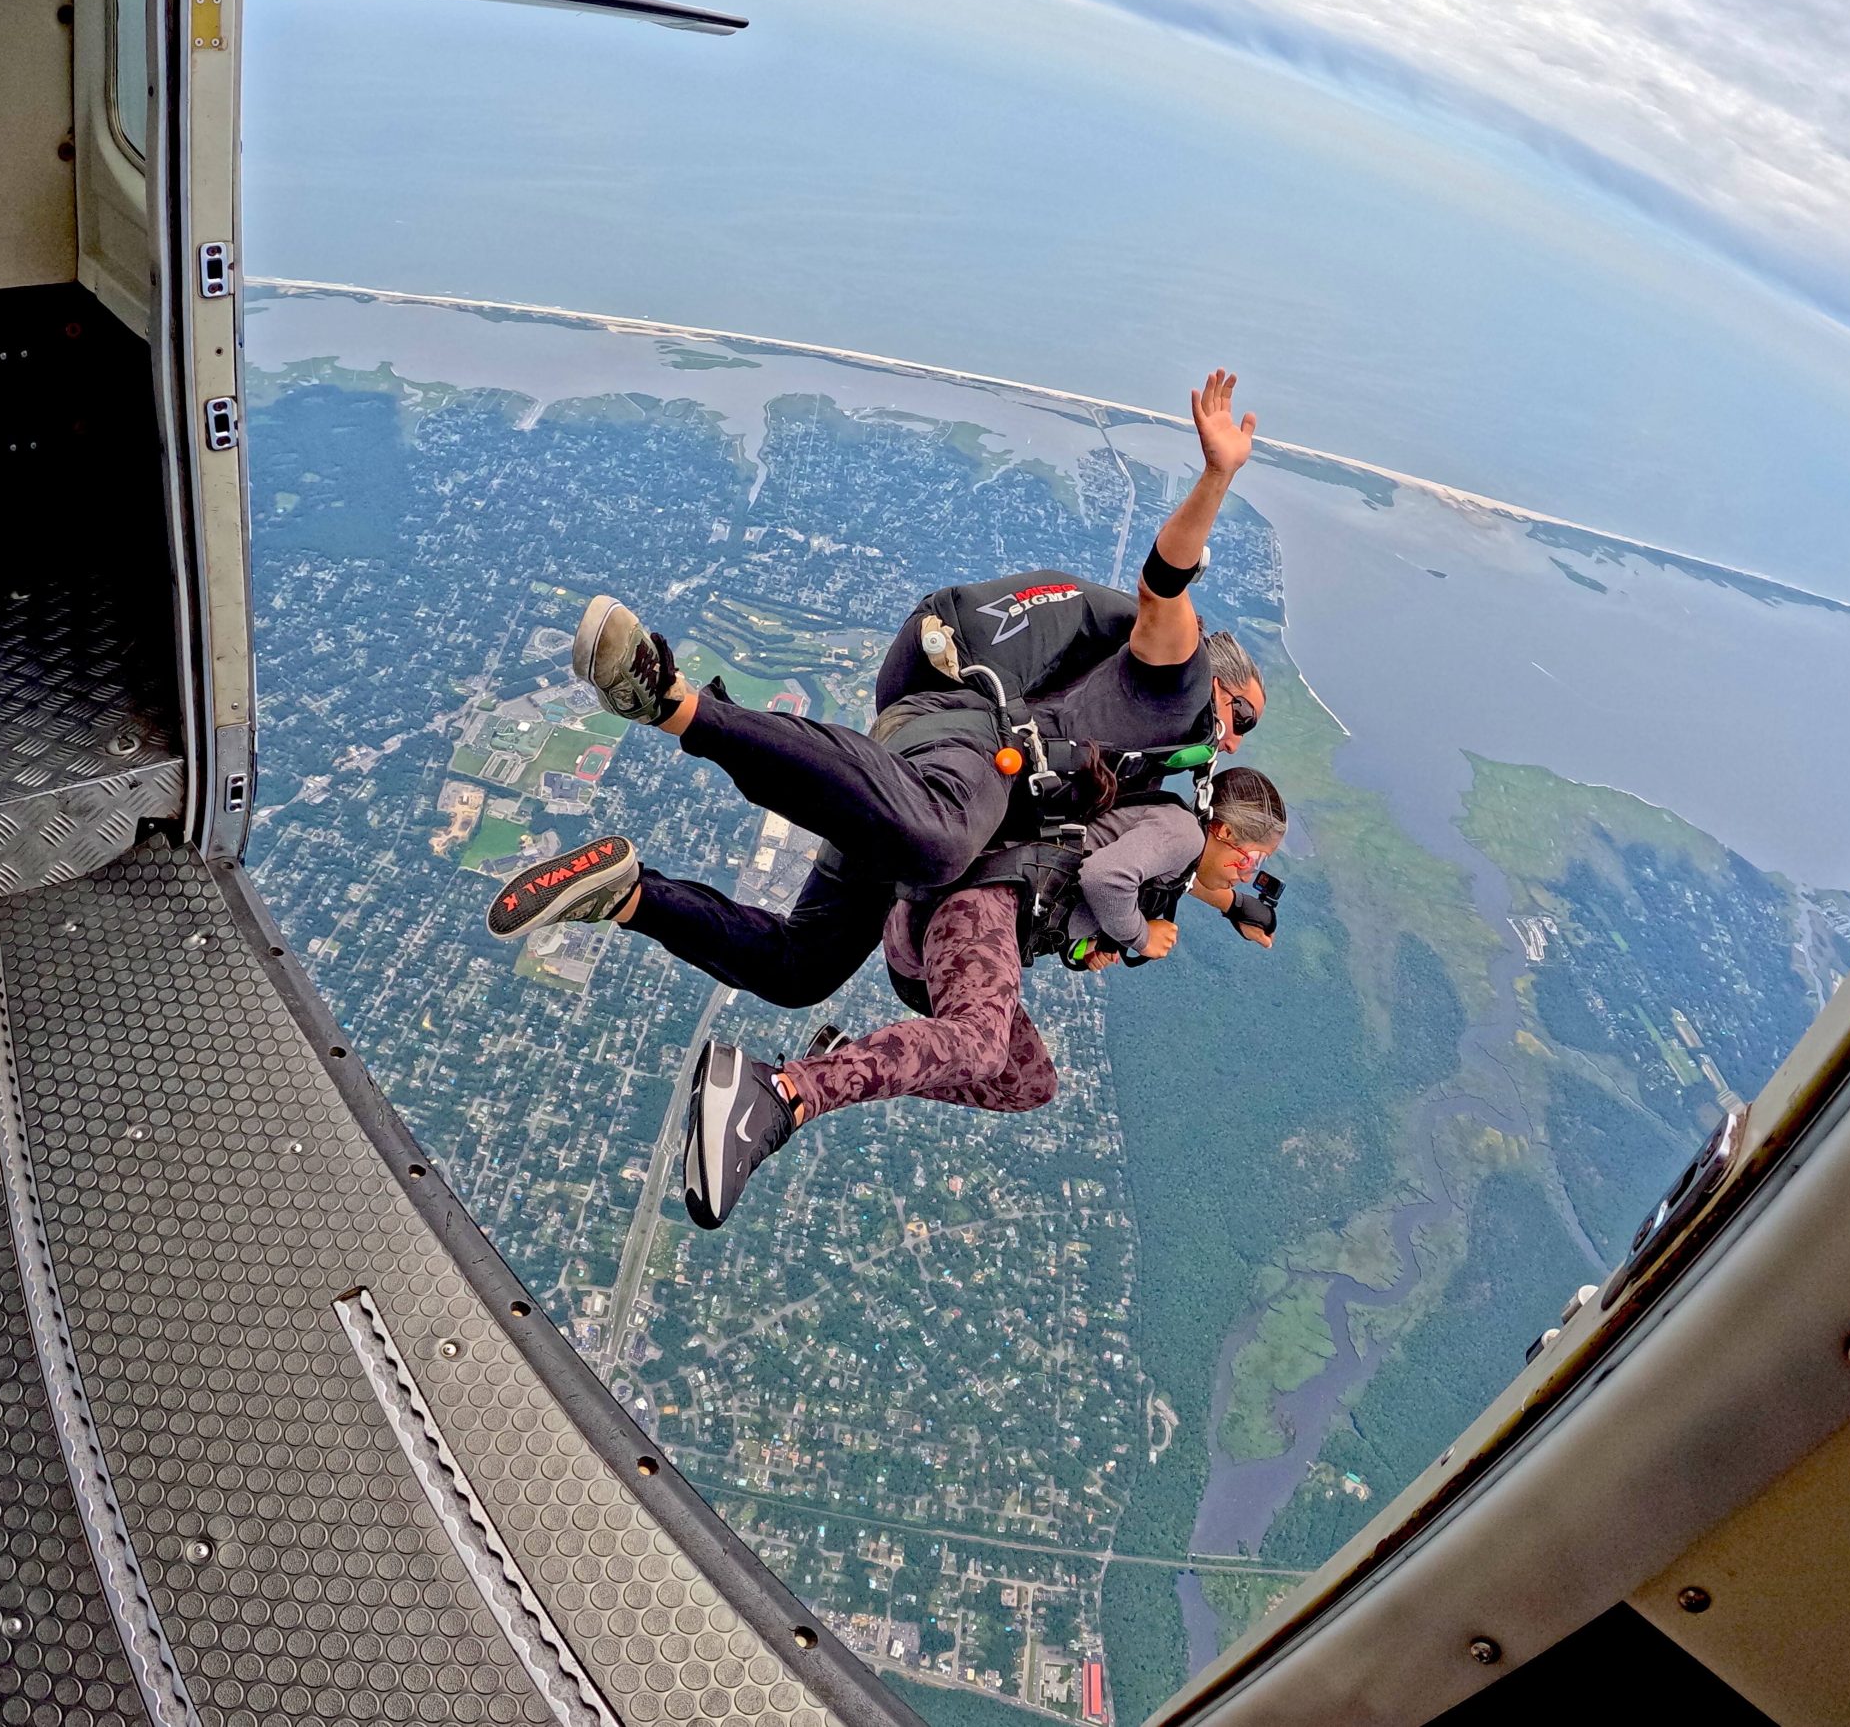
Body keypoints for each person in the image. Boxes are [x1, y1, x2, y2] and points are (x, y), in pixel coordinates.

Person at [485, 373, 1270, 979]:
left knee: (800, 969)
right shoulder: (1177, 693)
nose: (1234, 742)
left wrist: (1239, 905)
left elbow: (1182, 855)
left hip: (931, 781)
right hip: (968, 733)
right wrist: (1217, 478)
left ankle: (624, 895)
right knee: (939, 844)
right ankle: (672, 702)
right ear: (1218, 683)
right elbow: (1163, 587)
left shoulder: (1157, 779)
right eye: (1246, 718)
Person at [681, 767, 1289, 1228]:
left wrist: (1096, 943)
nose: (1247, 870)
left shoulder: (1181, 856)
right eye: (1251, 857)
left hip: (950, 935)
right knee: (980, 1043)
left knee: (1028, 1082)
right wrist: (1137, 933)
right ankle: (781, 1091)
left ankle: (852, 1059)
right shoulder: (1181, 831)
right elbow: (1105, 878)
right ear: (1224, 830)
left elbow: (1090, 880)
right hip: (975, 904)